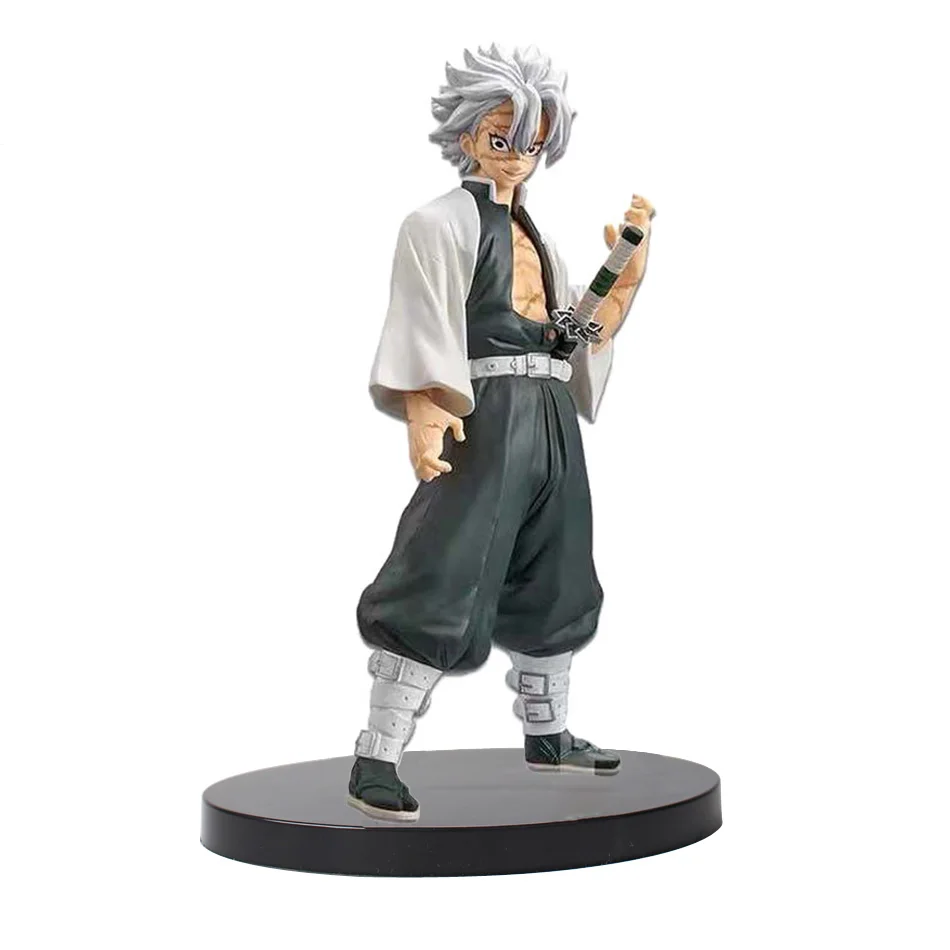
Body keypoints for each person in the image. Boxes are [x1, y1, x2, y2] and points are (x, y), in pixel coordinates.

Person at [347, 44, 654, 821]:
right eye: (502, 138)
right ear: (468, 136)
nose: (518, 156)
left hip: (550, 417)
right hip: (486, 416)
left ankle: (549, 734)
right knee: (443, 569)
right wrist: (425, 411)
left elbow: (575, 330)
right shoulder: (438, 224)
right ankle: (376, 754)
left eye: (532, 142)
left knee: (558, 570)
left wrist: (627, 274)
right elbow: (422, 320)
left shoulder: (540, 241)